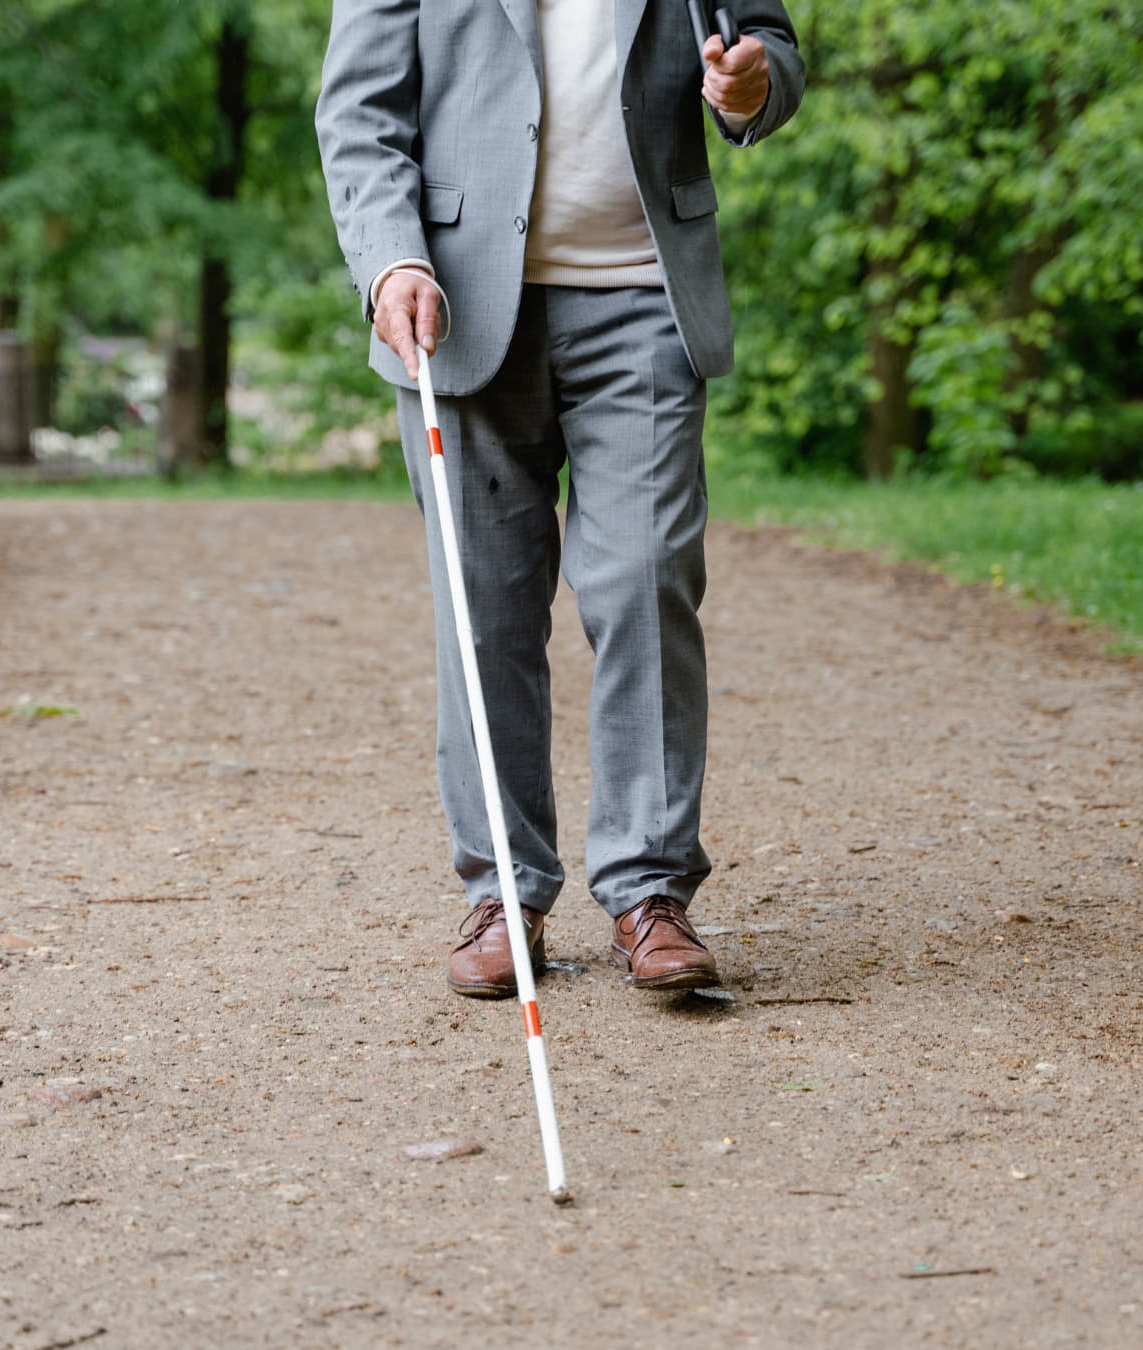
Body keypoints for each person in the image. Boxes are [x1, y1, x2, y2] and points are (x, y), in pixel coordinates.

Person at [317, 1, 803, 996]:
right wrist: (389, 261)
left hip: (644, 299)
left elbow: (767, 47)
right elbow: (358, 113)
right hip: (456, 305)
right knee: (484, 610)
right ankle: (502, 888)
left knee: (645, 578)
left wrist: (753, 88)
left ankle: (647, 889)